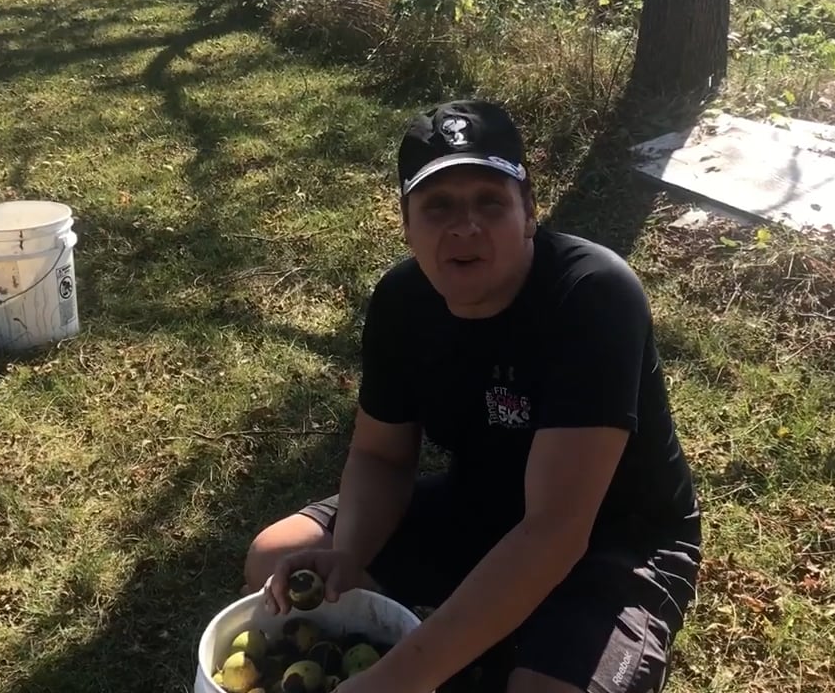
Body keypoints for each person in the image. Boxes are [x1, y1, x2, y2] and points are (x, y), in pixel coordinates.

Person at [244, 99, 701, 693]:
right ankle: (478, 636)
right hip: (476, 507)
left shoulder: (592, 296)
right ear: (407, 226)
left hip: (615, 540)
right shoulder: (403, 301)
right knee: (276, 558)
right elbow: (381, 456)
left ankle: (494, 644)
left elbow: (557, 530)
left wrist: (399, 679)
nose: (466, 227)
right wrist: (349, 555)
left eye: (490, 201)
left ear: (529, 213)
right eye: (438, 207)